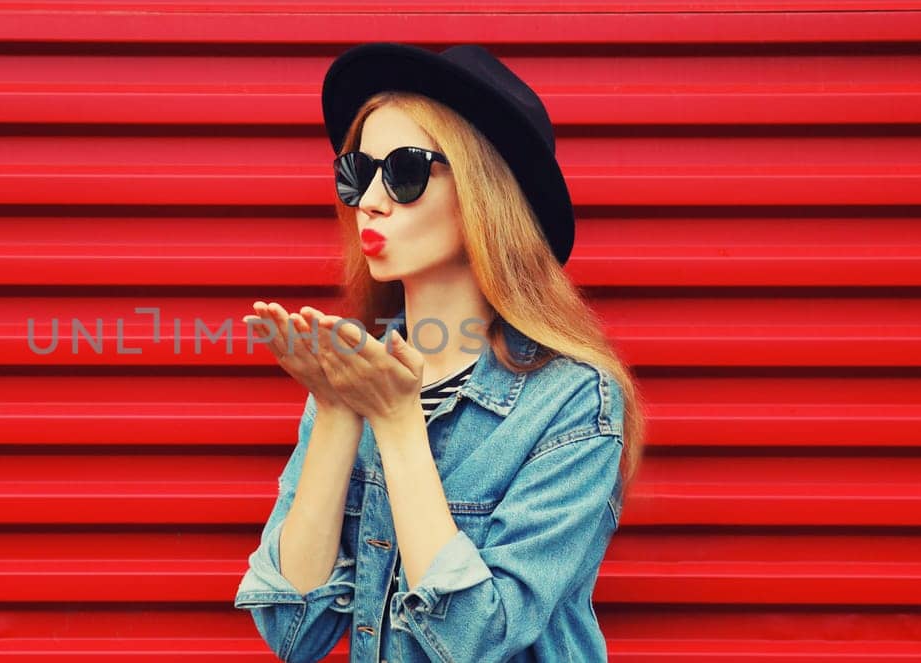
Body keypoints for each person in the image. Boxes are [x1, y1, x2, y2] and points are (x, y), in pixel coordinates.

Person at [231, 42, 648, 663]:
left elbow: (470, 641)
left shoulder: (573, 402)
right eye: (356, 171)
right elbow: (294, 632)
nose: (369, 200)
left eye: (403, 170)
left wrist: (399, 425)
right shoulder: (353, 376)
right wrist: (338, 406)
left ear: (486, 192)